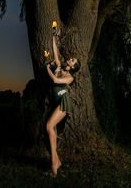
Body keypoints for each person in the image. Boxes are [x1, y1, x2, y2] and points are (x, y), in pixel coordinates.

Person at [45, 27, 81, 177]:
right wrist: (54, 37)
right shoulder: (59, 66)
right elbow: (55, 51)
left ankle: (54, 163)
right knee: (48, 129)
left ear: (73, 67)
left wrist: (47, 67)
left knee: (49, 126)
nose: (70, 59)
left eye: (73, 60)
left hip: (64, 102)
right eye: (72, 58)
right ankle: (56, 161)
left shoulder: (70, 78)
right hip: (55, 101)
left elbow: (54, 80)